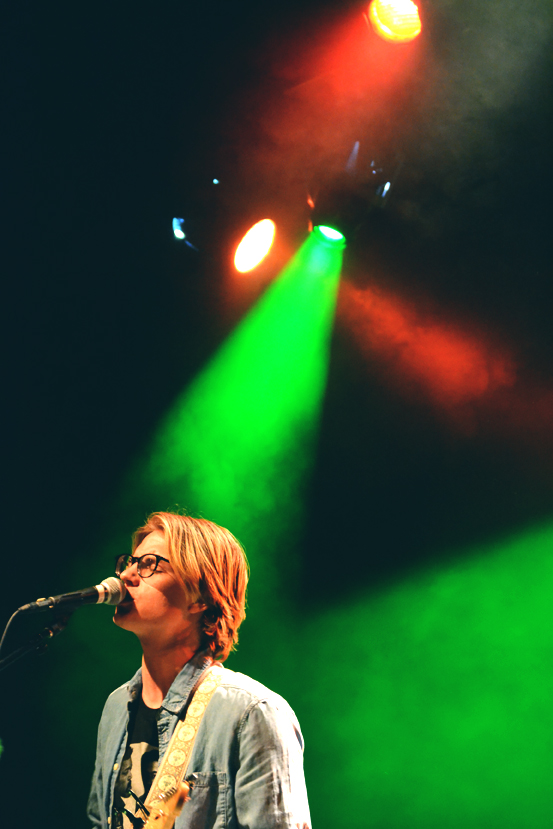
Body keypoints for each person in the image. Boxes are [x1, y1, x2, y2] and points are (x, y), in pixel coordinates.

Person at [87, 511, 311, 829]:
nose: (126, 576)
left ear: (200, 597)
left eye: (149, 564)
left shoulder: (252, 713)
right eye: (129, 562)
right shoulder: (115, 707)